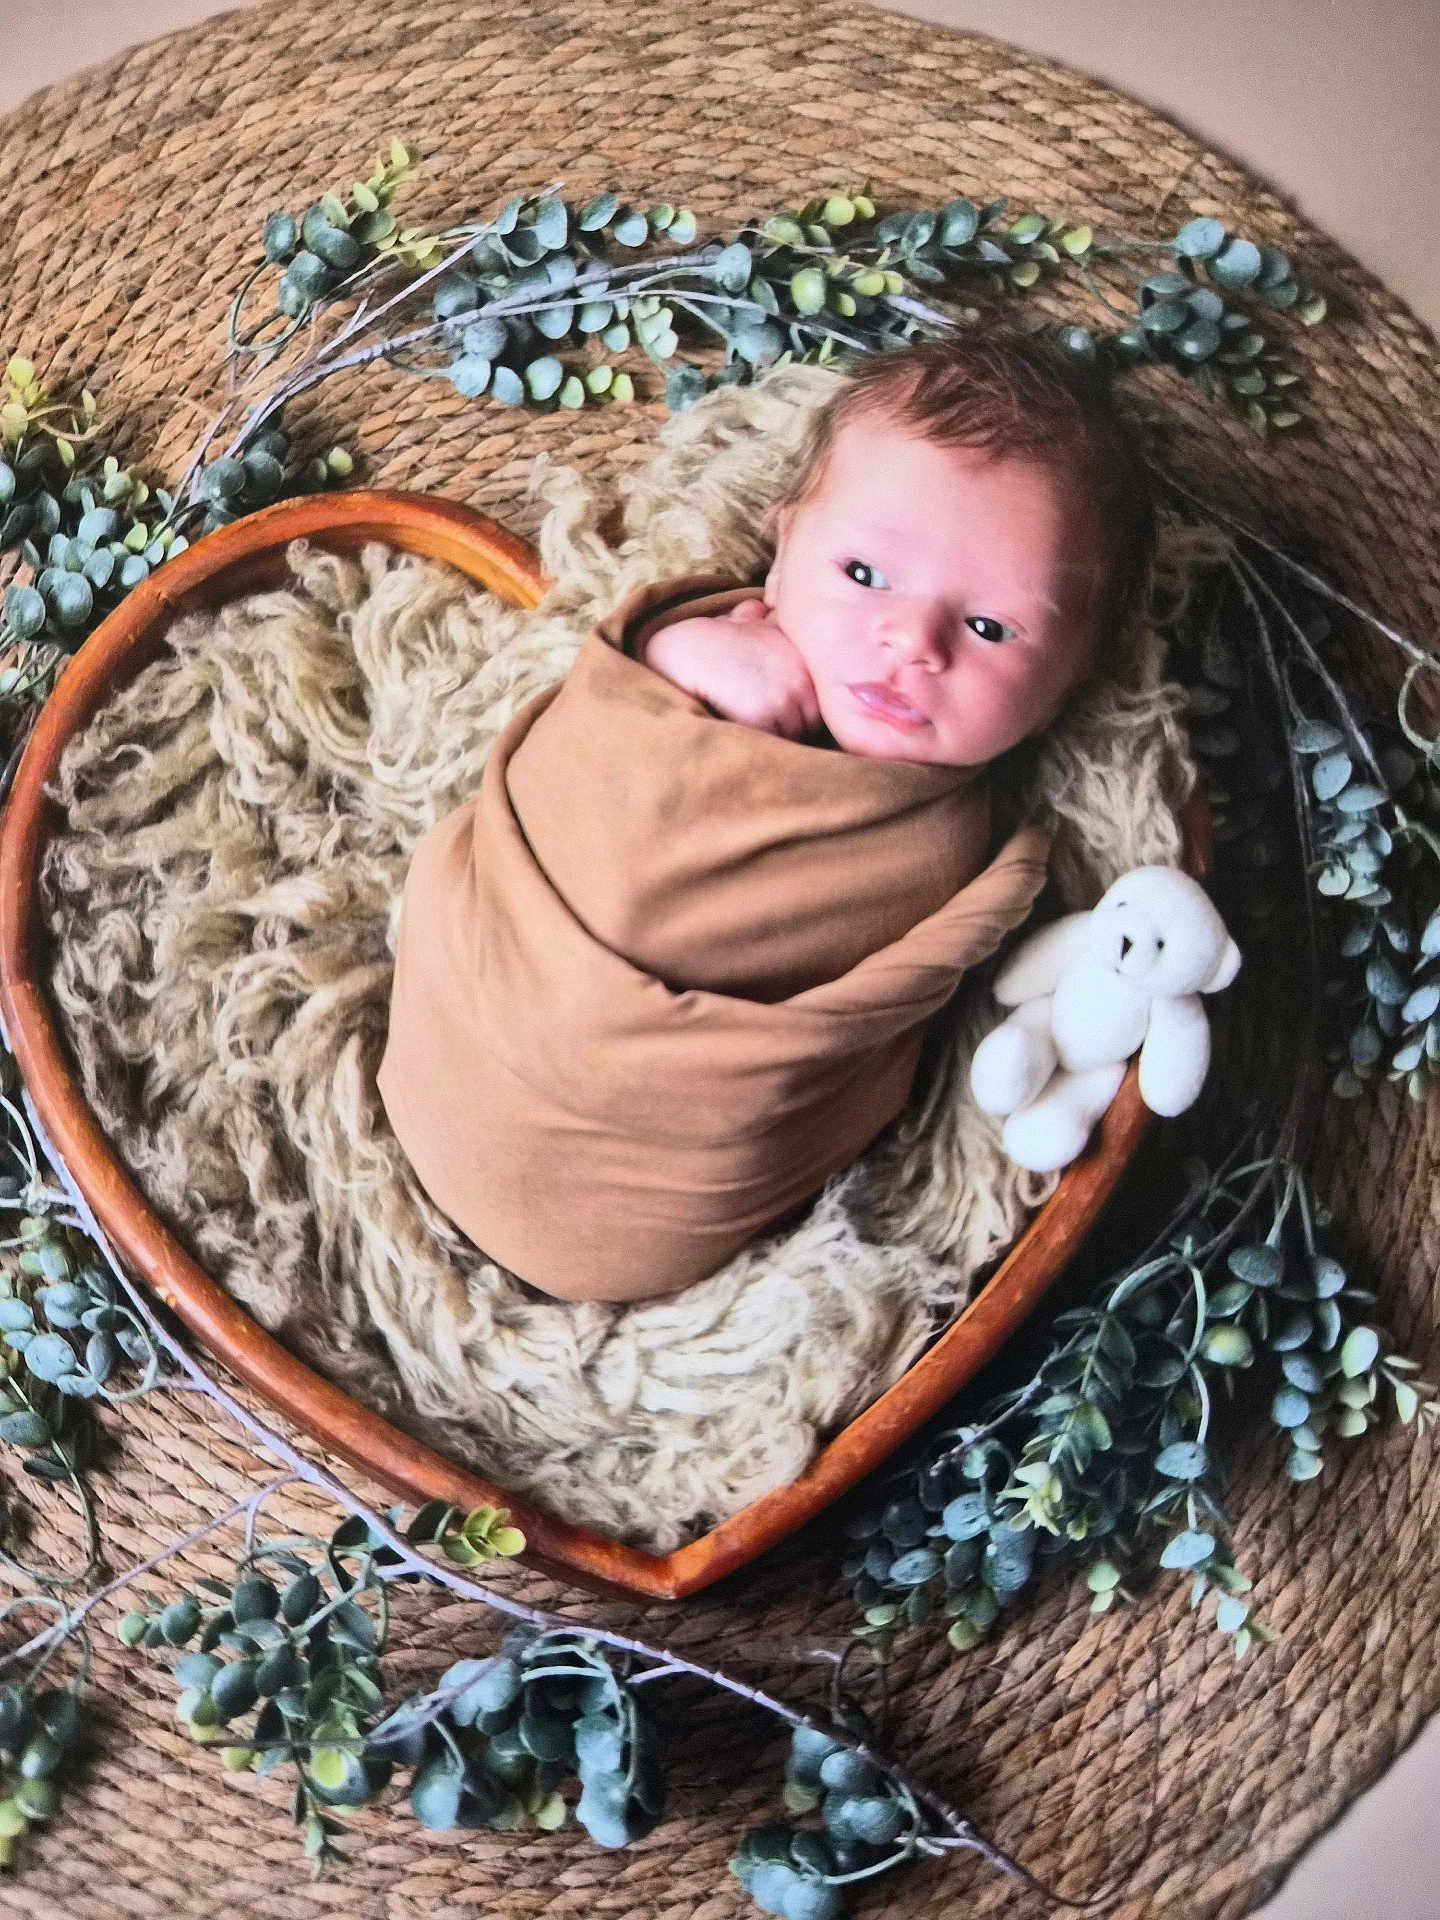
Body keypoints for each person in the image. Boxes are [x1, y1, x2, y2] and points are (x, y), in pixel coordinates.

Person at [377, 334, 1157, 1303]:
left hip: (643, 1207)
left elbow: (877, 1033)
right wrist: (677, 663)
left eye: (991, 628)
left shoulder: (963, 846)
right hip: (473, 1011)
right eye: (864, 574)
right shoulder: (707, 642)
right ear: (782, 553)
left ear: (1072, 677)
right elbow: (583, 744)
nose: (910, 642)